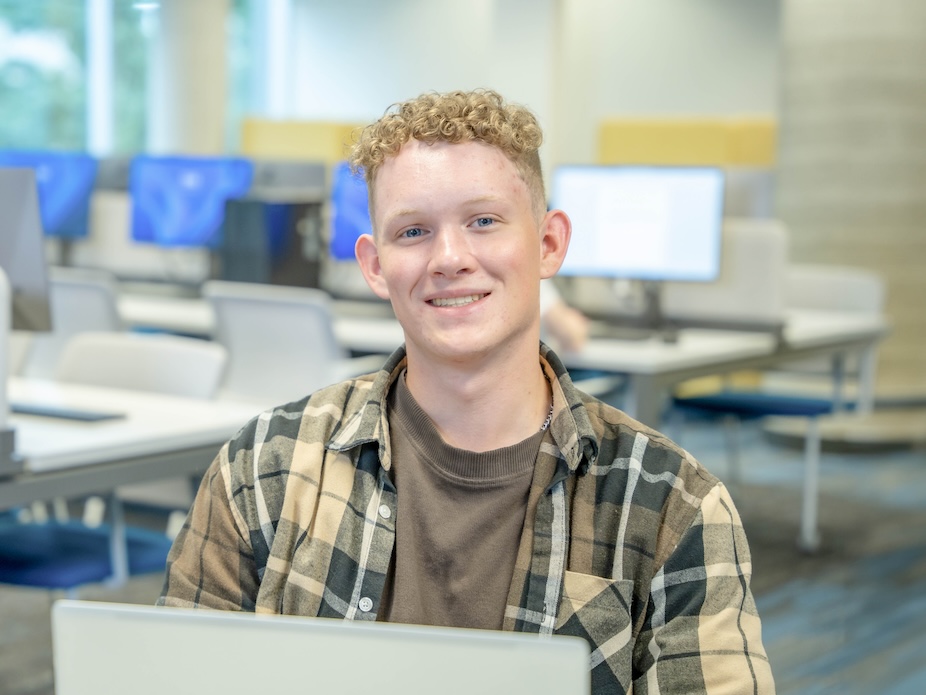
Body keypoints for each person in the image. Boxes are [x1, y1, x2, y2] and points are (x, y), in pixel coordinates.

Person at [159, 89, 774, 693]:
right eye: (413, 231)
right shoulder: (264, 467)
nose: (449, 257)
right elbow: (171, 678)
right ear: (375, 266)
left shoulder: (673, 505)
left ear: (548, 243)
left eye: (483, 221)